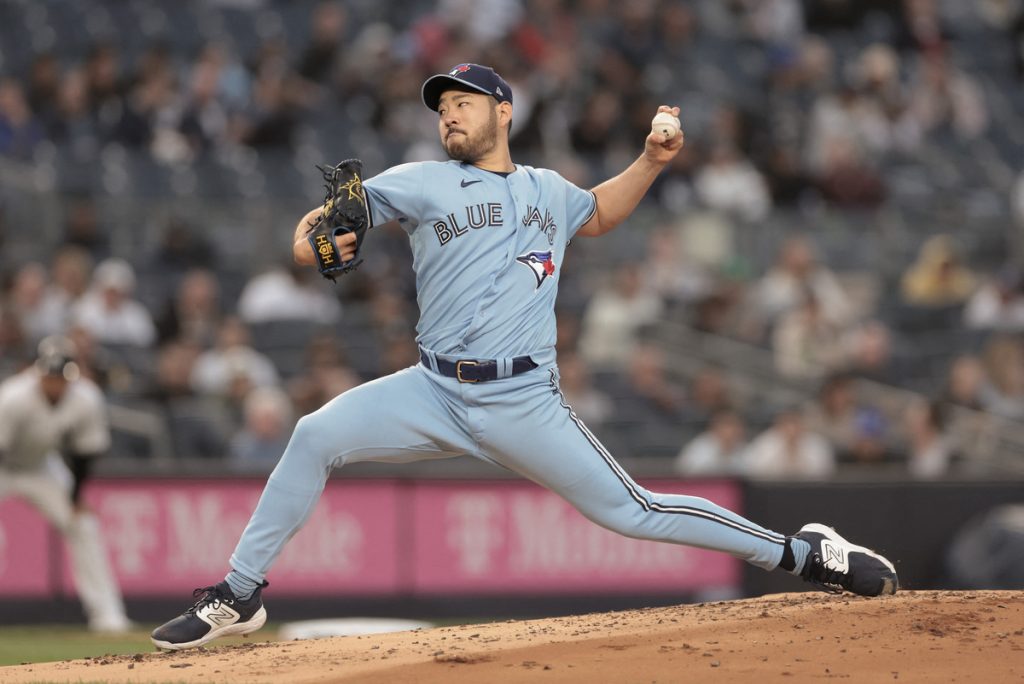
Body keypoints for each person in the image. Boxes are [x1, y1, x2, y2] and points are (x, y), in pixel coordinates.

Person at [151, 63, 898, 651]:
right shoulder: (421, 180)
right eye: (442, 105)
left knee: (634, 512)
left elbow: (598, 212)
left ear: (504, 111)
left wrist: (650, 159)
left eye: (464, 101)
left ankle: (806, 556)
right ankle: (239, 594)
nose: (448, 112)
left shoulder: (548, 189)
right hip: (433, 390)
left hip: (523, 402)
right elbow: (325, 220)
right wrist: (315, 244)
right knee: (314, 433)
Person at [0, 336, 131, 632]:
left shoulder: (86, 397)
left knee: (83, 525)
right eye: (50, 376)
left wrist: (75, 498)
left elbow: (86, 453)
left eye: (62, 377)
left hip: (41, 467)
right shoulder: (13, 396)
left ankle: (108, 616)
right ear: (37, 372)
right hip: (3, 467)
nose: (56, 383)